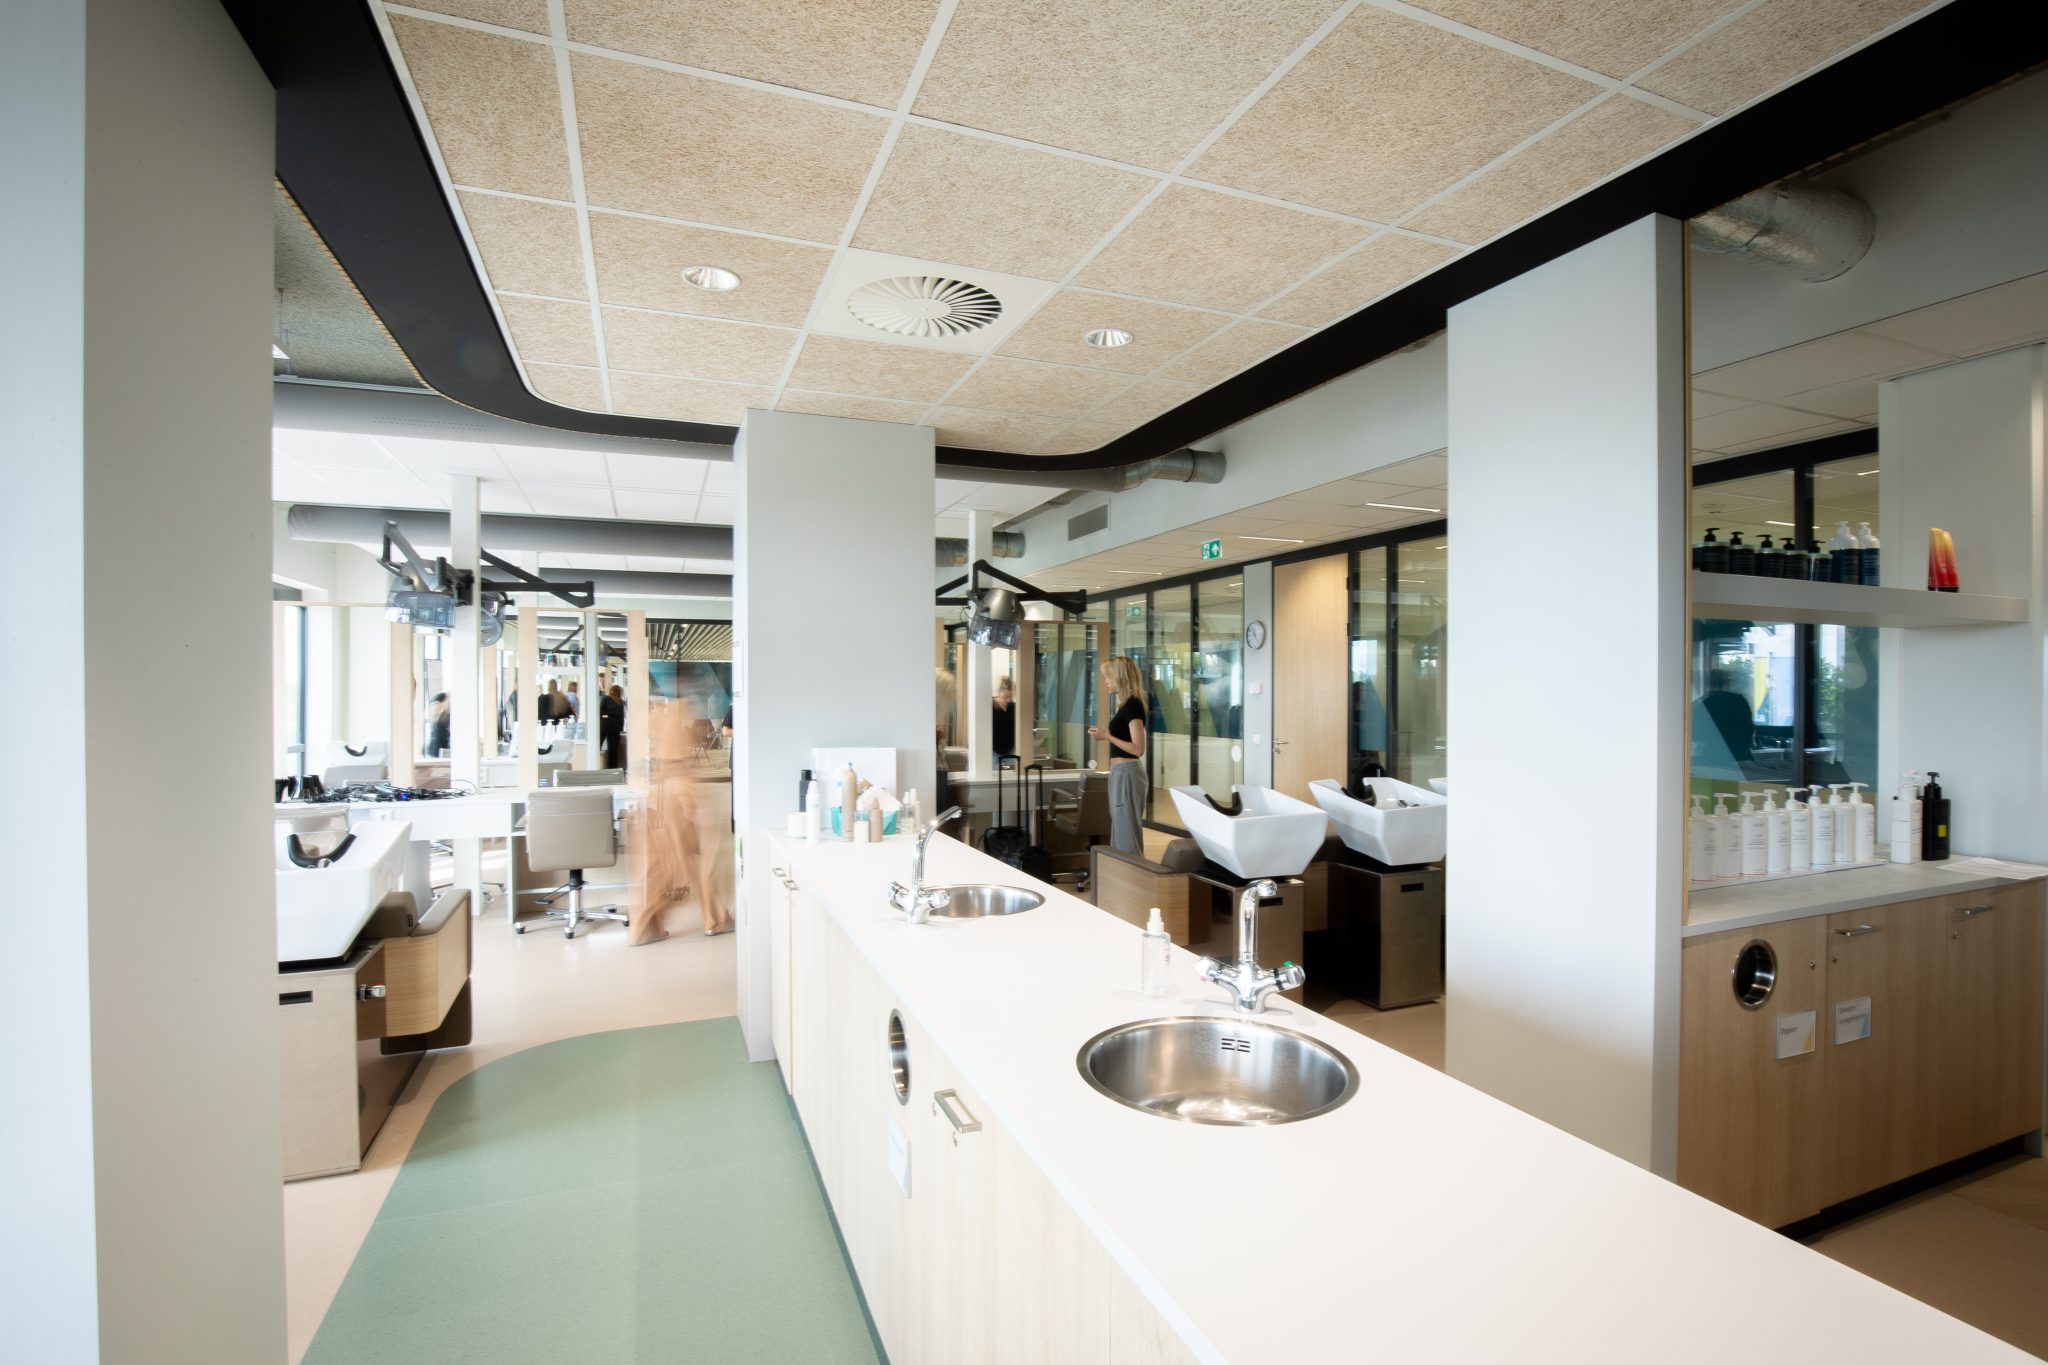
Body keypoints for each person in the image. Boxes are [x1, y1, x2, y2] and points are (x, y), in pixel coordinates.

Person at [1086, 656, 1148, 856]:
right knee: (1121, 828)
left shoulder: (1133, 705)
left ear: (1120, 678)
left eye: (1109, 677)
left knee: (1126, 833)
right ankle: (1123, 871)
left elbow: (1138, 749)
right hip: (1120, 772)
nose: (1106, 682)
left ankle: (1132, 872)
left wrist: (1107, 736)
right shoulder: (1125, 705)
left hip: (1127, 773)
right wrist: (1105, 735)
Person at [1696, 667, 1755, 764]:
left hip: (1713, 754)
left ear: (1707, 683)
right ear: (1726, 682)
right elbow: (1749, 728)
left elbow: (1698, 734)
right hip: (1740, 753)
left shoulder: (1703, 704)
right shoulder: (1739, 700)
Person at [599, 683, 626, 769]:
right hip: (616, 727)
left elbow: (600, 711)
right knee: (613, 749)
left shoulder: (606, 699)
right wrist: (621, 728)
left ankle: (597, 764)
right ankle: (612, 768)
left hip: (604, 724)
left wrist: (605, 716)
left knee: (598, 745)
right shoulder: (621, 702)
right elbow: (622, 717)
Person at [992, 676, 1016, 760]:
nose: (1008, 700)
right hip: (993, 753)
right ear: (999, 692)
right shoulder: (990, 706)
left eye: (1010, 697)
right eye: (1005, 696)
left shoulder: (1013, 707)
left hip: (1011, 753)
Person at [426, 692, 450, 758]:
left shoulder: (441, 718)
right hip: (436, 754)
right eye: (446, 700)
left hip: (436, 754)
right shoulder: (440, 721)